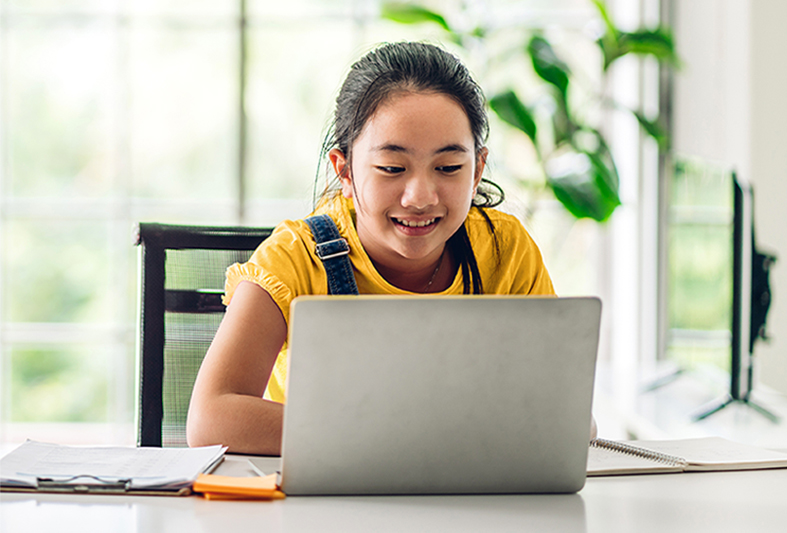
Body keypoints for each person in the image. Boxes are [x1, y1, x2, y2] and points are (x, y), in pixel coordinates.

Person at [186, 41, 595, 455]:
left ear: (478, 171)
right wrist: (397, 435)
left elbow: (569, 413)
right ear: (343, 170)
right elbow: (211, 418)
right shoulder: (293, 258)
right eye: (392, 169)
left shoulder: (505, 249)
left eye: (449, 168)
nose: (420, 196)